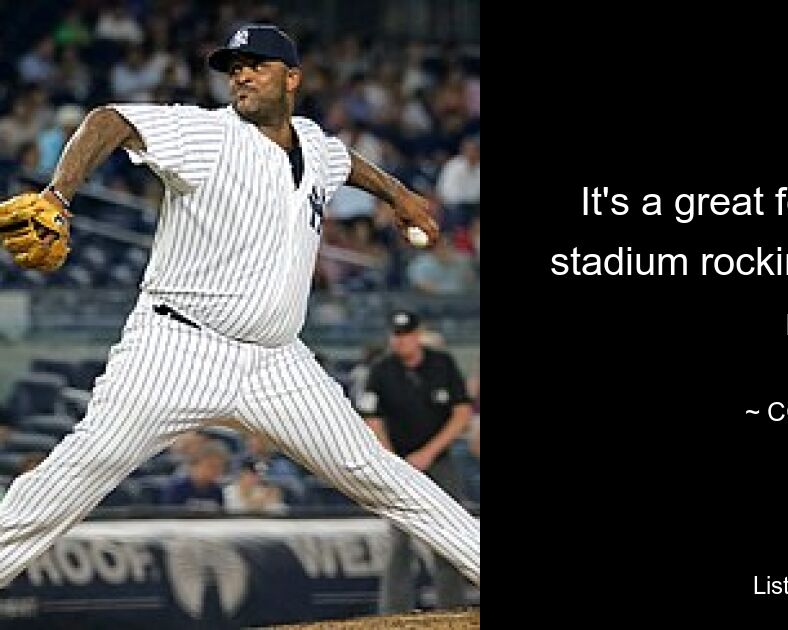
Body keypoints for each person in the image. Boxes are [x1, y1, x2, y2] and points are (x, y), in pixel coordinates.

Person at [0, 24, 478, 591]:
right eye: (235, 66)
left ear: (292, 78)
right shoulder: (207, 135)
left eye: (258, 64)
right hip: (178, 349)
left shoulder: (313, 144)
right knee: (74, 476)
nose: (243, 74)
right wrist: (58, 195)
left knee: (379, 473)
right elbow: (109, 120)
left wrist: (399, 196)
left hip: (278, 364)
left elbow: (343, 161)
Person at [358, 309, 475, 613]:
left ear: (417, 335)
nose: (401, 340)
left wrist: (429, 452)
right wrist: (393, 459)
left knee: (449, 535)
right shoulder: (381, 370)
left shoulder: (442, 364)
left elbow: (461, 413)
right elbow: (372, 418)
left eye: (406, 334)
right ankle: (393, 614)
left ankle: (453, 610)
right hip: (398, 464)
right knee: (399, 540)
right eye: (396, 335)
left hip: (438, 460)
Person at [161, 440, 229, 513]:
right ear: (196, 464)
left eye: (219, 467)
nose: (216, 471)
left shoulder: (217, 491)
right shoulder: (177, 488)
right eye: (211, 466)